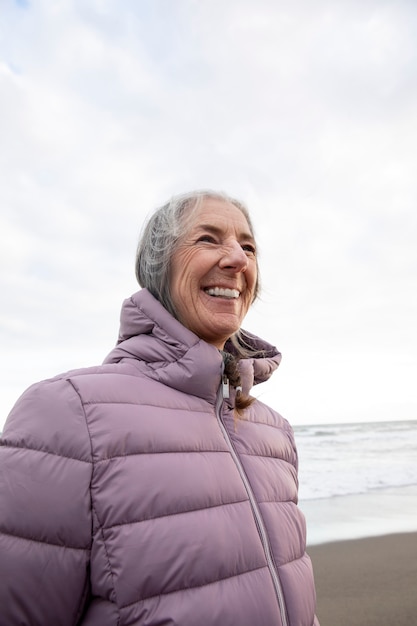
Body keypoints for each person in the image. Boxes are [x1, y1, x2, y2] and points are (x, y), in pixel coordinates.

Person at [0, 190, 319, 626]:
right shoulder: (69, 411)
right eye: (208, 239)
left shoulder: (273, 433)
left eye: (248, 247)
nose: (238, 260)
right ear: (158, 267)